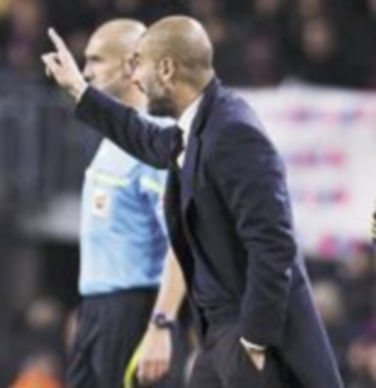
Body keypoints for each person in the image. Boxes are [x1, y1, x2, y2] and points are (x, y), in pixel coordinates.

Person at [42, 15, 342, 388]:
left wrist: (254, 340)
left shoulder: (233, 132)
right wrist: (80, 92)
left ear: (166, 69)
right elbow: (143, 138)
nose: (136, 79)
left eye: (141, 66)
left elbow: (274, 245)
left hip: (249, 333)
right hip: (218, 334)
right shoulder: (197, 126)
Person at [64, 19, 186, 388]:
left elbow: (182, 243)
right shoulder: (113, 138)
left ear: (131, 63)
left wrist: (161, 325)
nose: (86, 72)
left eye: (96, 59)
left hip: (135, 312)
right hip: (97, 310)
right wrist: (89, 309)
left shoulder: (157, 142)